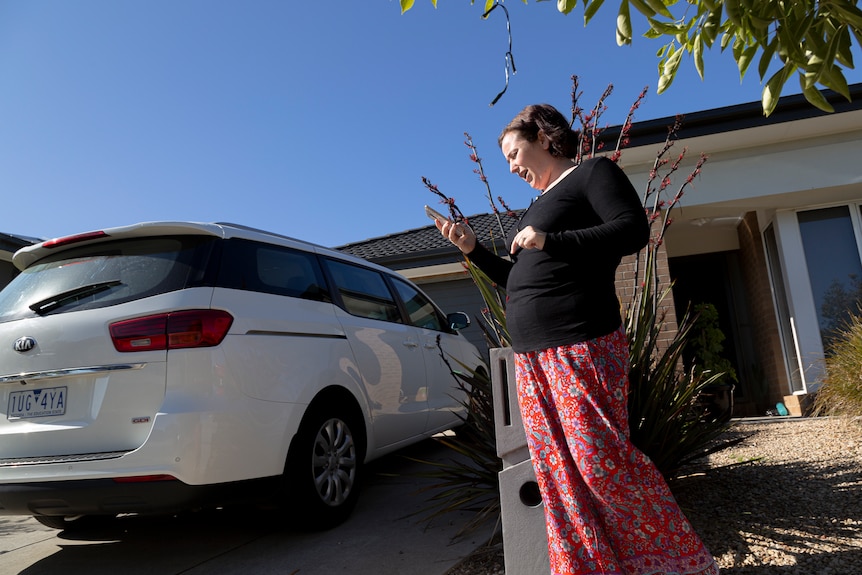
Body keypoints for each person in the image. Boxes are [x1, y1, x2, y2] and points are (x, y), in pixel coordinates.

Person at [435, 103, 719, 575]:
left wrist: (552, 241)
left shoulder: (592, 174)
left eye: (514, 152)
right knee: (558, 476)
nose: (510, 166)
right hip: (531, 357)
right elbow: (519, 281)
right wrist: (473, 250)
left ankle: (678, 565)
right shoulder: (538, 206)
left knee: (599, 463)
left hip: (579, 344)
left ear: (544, 139)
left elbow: (632, 230)